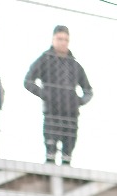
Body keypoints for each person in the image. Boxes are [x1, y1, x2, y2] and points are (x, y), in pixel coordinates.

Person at [23, 26, 91, 166]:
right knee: (50, 155)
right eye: (60, 39)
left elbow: (88, 90)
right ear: (53, 39)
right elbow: (28, 81)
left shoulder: (75, 65)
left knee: (67, 156)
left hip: (71, 114)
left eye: (66, 39)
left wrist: (78, 101)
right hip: (52, 113)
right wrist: (45, 95)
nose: (63, 42)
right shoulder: (44, 60)